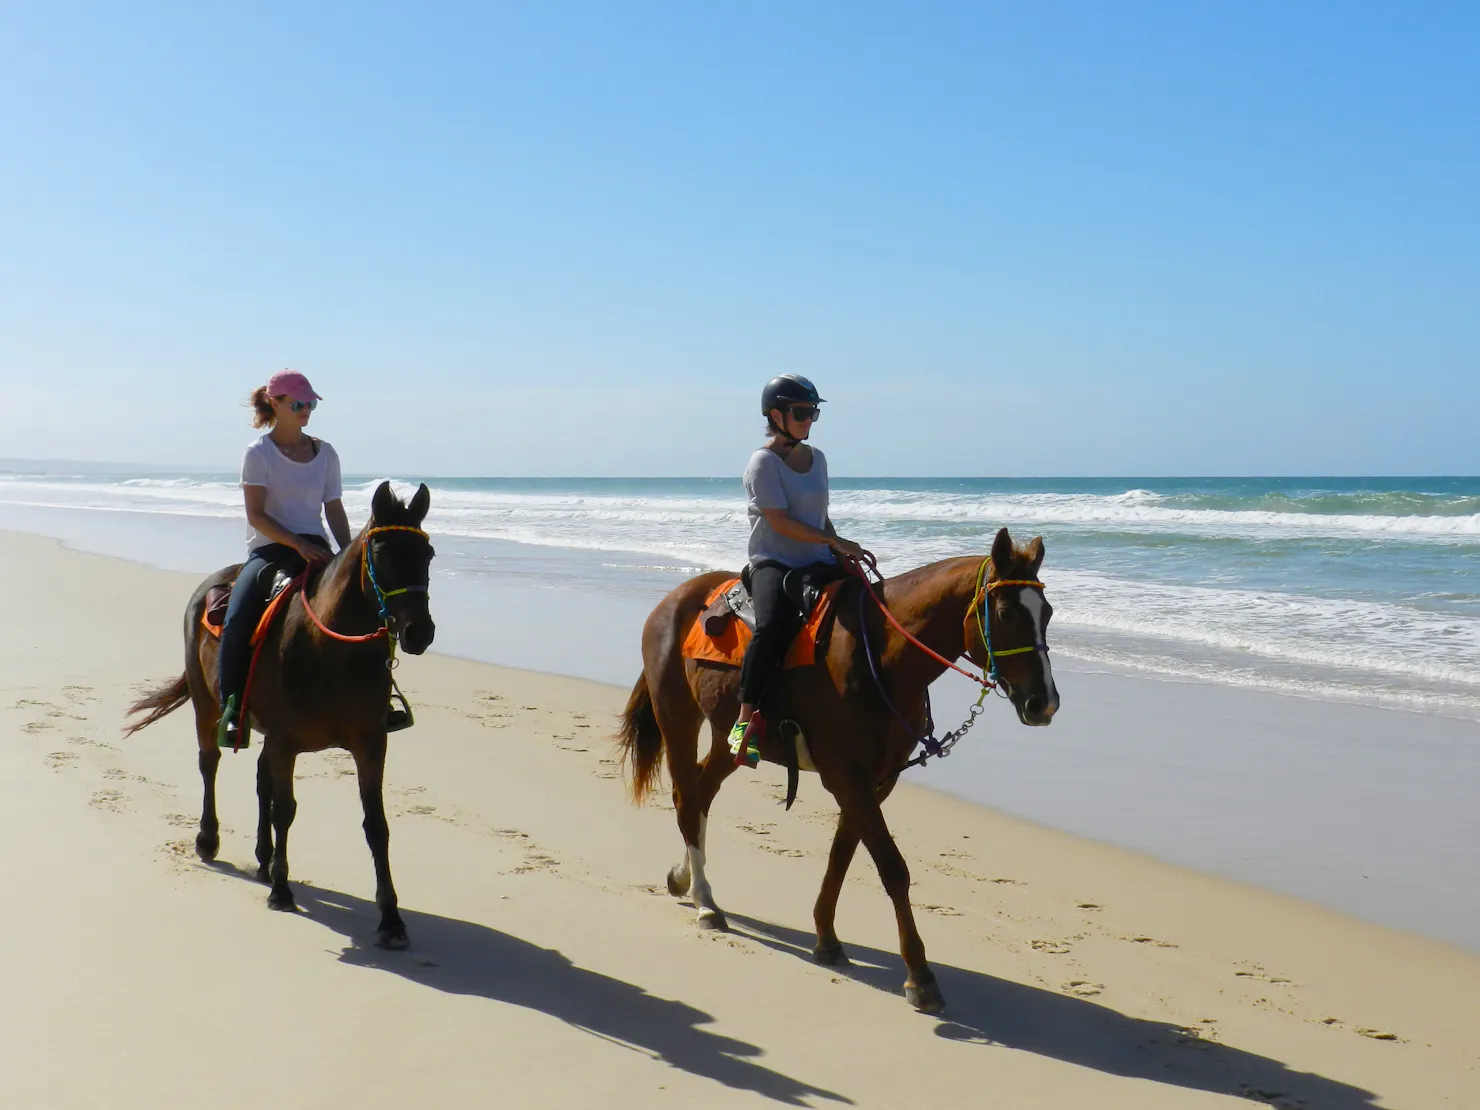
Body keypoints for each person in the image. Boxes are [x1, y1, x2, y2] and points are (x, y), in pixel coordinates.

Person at [728, 374, 873, 767]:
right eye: (801, 412)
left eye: (813, 412)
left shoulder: (818, 458)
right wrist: (831, 543)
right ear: (776, 415)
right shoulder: (762, 462)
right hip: (774, 561)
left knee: (871, 606)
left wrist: (841, 546)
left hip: (819, 560)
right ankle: (744, 724)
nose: (809, 420)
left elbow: (818, 518)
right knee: (772, 624)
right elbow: (780, 522)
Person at [216, 370, 350, 748]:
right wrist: (295, 544)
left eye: (310, 404)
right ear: (275, 404)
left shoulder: (326, 453)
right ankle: (233, 709)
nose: (306, 410)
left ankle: (380, 699)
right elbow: (257, 515)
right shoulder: (259, 453)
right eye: (298, 404)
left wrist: (346, 554)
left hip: (317, 546)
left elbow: (334, 509)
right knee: (239, 616)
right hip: (270, 549)